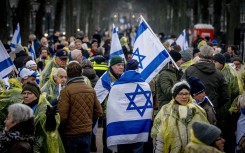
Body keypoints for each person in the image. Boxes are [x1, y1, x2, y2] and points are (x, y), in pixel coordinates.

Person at [106, 59, 153, 153]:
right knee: (138, 149)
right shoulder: (145, 86)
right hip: (140, 127)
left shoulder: (115, 87)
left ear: (126, 69)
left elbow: (111, 107)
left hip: (121, 127)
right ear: (137, 69)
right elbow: (148, 107)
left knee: (123, 150)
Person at [152, 80, 208, 153]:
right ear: (175, 95)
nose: (184, 97)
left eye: (186, 93)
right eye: (180, 94)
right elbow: (159, 137)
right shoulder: (165, 111)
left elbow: (205, 134)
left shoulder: (197, 110)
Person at [58, 62, 102, 153]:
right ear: (81, 73)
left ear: (68, 74)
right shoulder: (90, 90)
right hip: (87, 133)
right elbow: (99, 111)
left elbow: (62, 116)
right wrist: (89, 123)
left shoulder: (65, 91)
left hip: (70, 134)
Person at [182, 45, 230, 113]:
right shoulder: (219, 74)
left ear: (199, 55)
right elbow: (226, 96)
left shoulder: (189, 70)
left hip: (191, 110)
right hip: (211, 111)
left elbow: (180, 89)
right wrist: (214, 104)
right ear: (212, 57)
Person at [22, 81, 65, 153]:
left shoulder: (44, 107)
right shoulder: (20, 106)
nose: (26, 95)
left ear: (36, 95)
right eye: (24, 93)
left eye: (29, 93)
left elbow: (51, 130)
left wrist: (50, 118)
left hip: (43, 145)